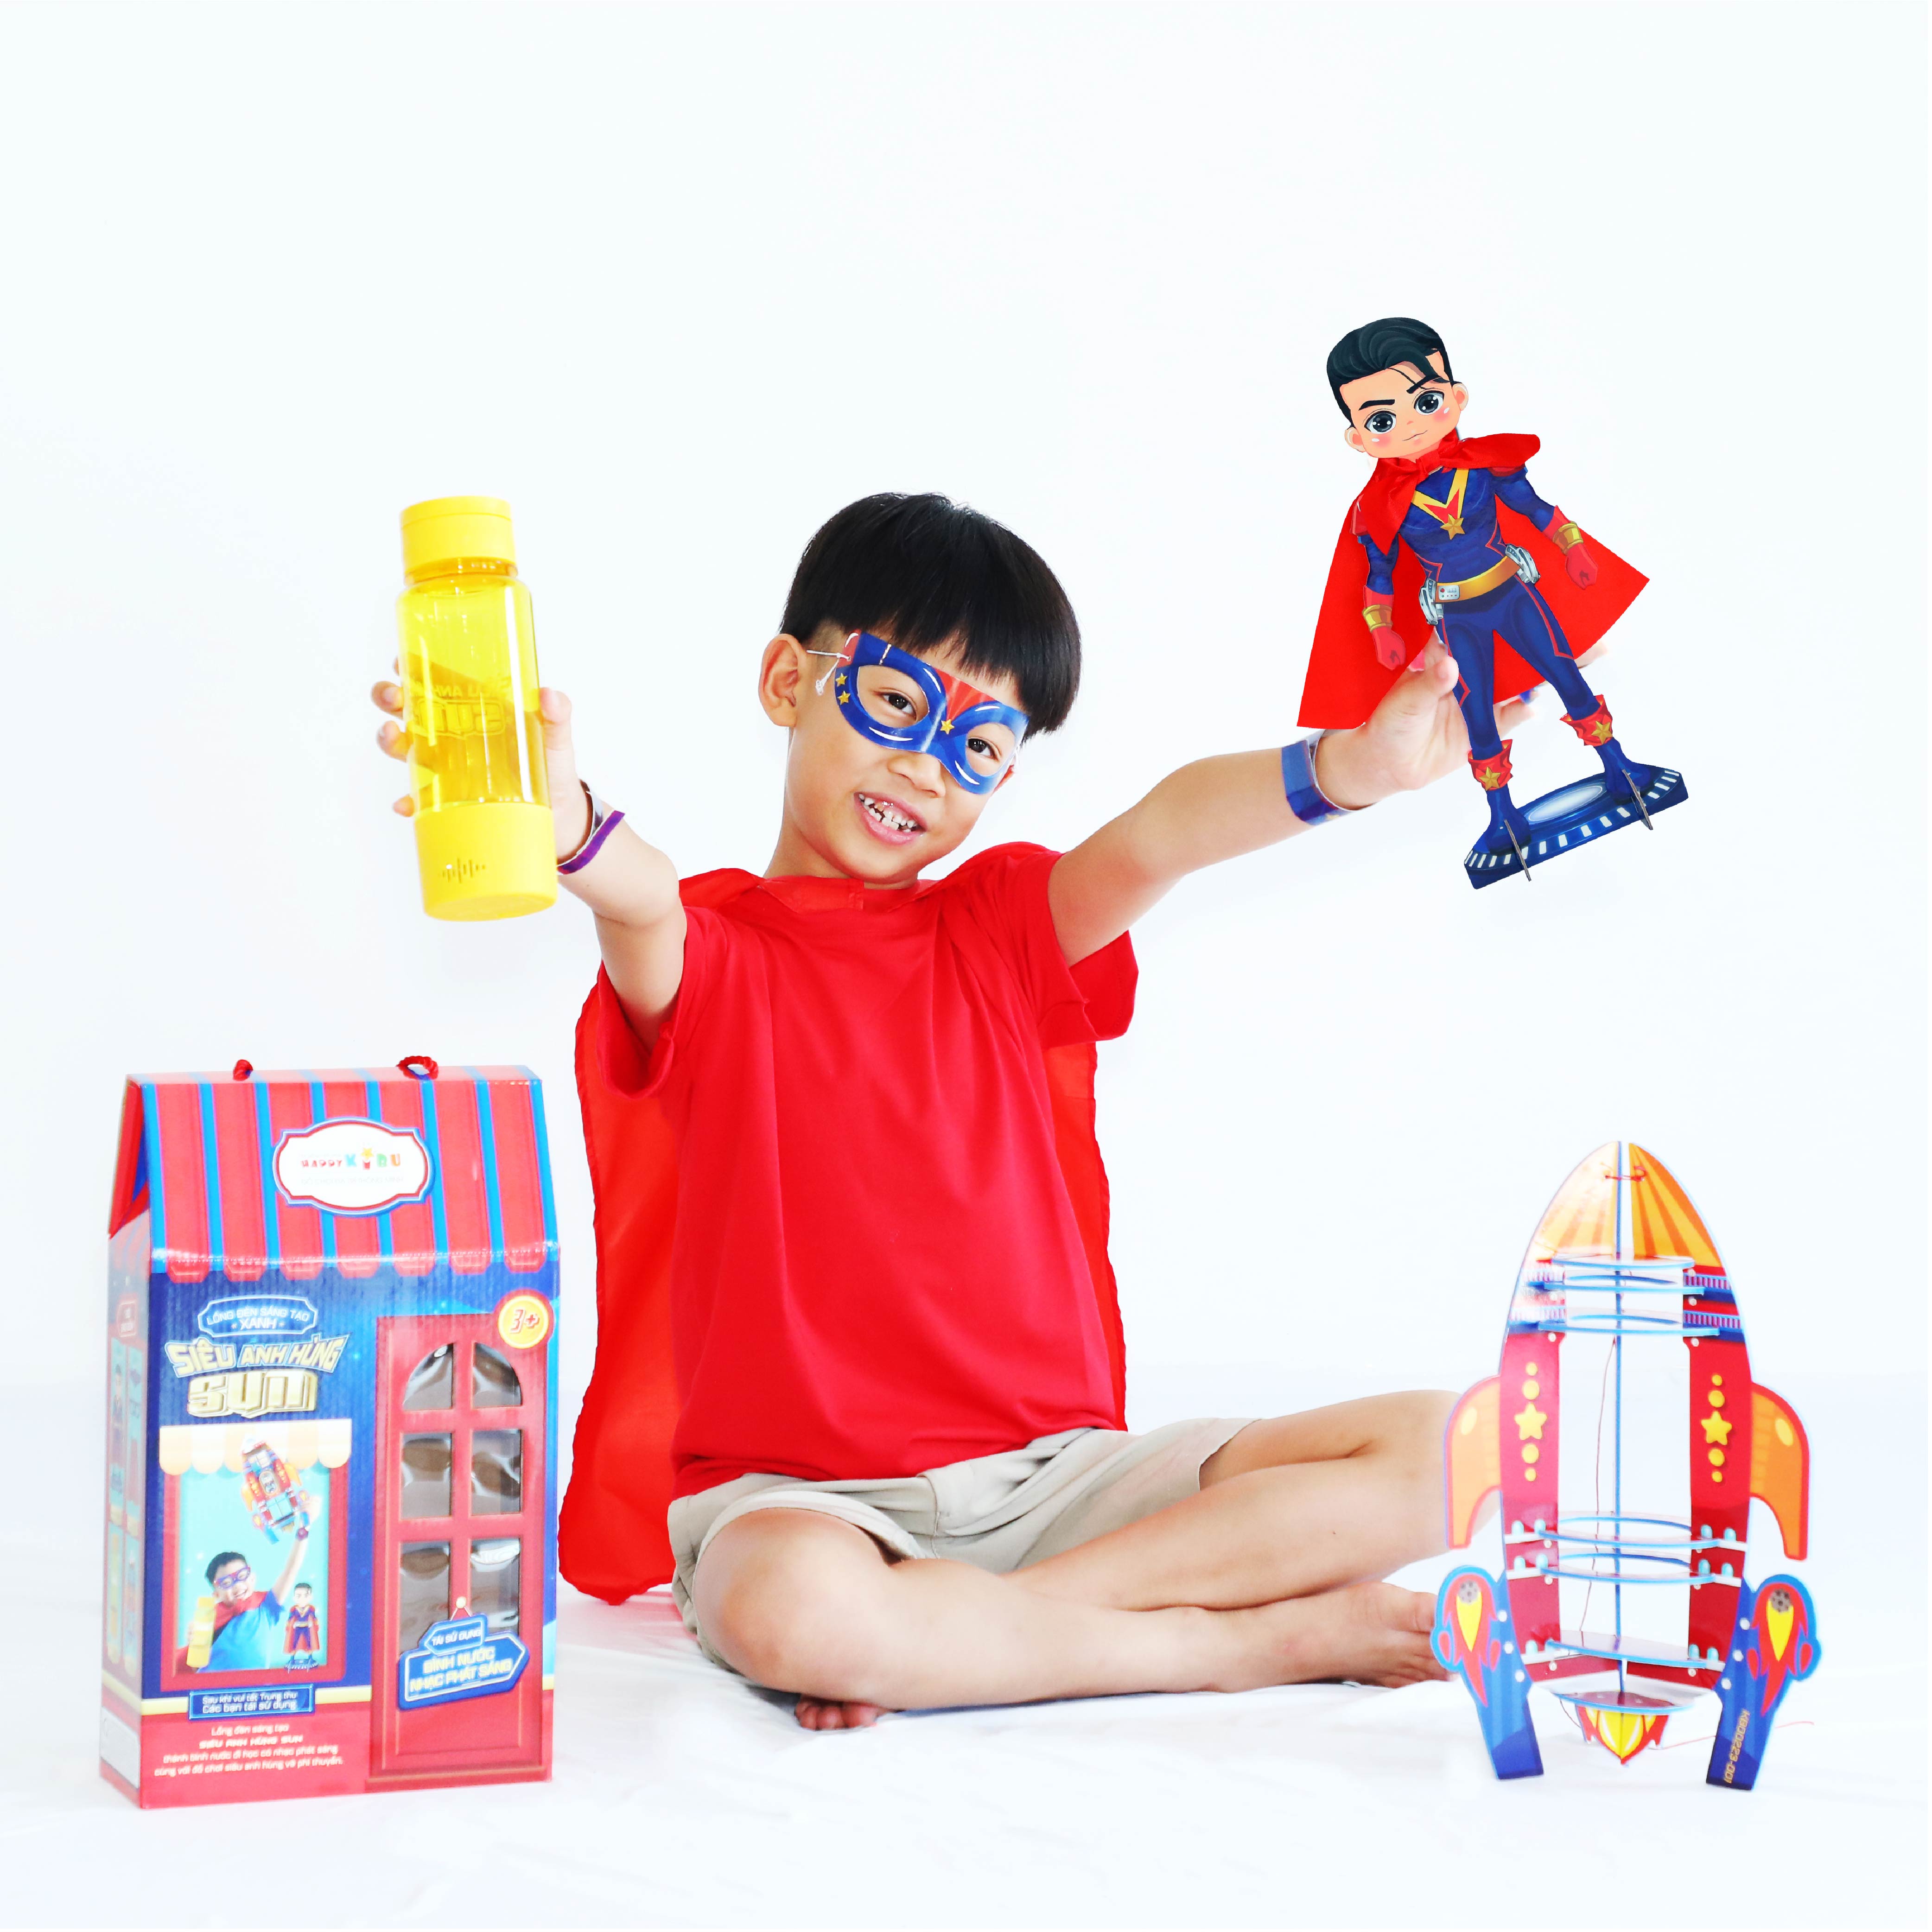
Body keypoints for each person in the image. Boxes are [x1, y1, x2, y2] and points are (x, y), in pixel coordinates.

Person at [372, 493, 1510, 1729]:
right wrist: (571, 825)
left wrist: (1350, 769)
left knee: (1462, 1445)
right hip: (809, 1505)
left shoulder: (1003, 927)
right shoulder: (710, 950)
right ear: (789, 681)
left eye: (977, 747)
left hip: (1059, 1482)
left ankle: (964, 1632)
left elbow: (1162, 834)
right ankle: (1231, 1642)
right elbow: (637, 902)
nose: (923, 767)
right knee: (787, 1611)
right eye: (895, 703)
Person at [1299, 316, 1664, 877]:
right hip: (1455, 616)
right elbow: (1378, 574)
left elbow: (1534, 508)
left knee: (1567, 676)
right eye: (1381, 419)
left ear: (1457, 397)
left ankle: (1619, 767)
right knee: (1477, 716)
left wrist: (1571, 547)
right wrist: (1381, 628)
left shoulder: (1486, 465)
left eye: (1425, 402)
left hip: (1512, 592)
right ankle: (1501, 816)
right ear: (1357, 437)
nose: (1409, 424)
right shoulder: (1377, 509)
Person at [197, 1528, 308, 1672]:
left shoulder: (266, 1607)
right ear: (217, 1595)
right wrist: (195, 1637)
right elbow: (194, 1664)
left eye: (242, 1576)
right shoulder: (207, 1616)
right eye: (226, 1583)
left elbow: (291, 1569)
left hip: (254, 1685)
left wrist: (304, 1530)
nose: (238, 1586)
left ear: (253, 1578)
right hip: (213, 1685)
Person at [283, 1581, 321, 1666]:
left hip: (307, 1628)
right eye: (299, 1596)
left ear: (310, 1597)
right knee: (294, 1643)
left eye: (306, 1596)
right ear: (294, 1598)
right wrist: (291, 1626)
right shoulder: (294, 1610)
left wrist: (313, 1625)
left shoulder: (311, 1609)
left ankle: (310, 1658)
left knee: (309, 1643)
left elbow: (314, 1619)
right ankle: (292, 1659)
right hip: (297, 1629)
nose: (302, 1599)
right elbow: (290, 1620)